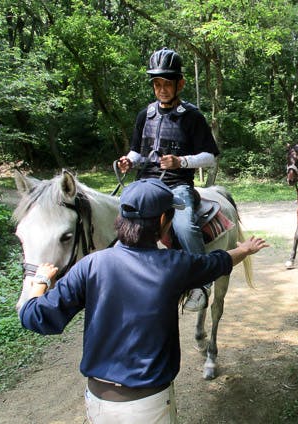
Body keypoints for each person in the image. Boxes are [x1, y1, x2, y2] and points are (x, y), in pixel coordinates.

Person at [19, 178, 269, 424]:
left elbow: (34, 317)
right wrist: (245, 249)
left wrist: (40, 280)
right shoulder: (175, 265)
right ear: (163, 220)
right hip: (149, 404)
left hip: (97, 400)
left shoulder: (90, 265)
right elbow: (218, 262)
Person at [117, 47, 220, 312]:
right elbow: (138, 151)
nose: (162, 89)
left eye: (167, 83)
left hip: (177, 184)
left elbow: (210, 156)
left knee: (185, 226)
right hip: (146, 183)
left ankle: (202, 281)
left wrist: (181, 161)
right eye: (157, 83)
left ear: (180, 83)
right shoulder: (145, 115)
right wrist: (129, 160)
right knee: (120, 216)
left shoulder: (193, 117)